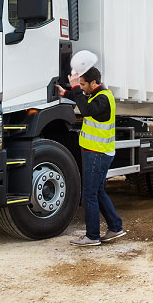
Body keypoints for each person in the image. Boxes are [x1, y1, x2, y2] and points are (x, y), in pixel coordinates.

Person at [56, 51, 126, 246]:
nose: (82, 88)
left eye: (84, 85)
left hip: (97, 153)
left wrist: (75, 90)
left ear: (93, 83)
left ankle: (92, 236)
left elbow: (87, 110)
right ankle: (115, 227)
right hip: (98, 151)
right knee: (98, 191)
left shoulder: (102, 98)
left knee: (89, 194)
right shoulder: (98, 94)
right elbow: (85, 101)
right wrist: (66, 92)